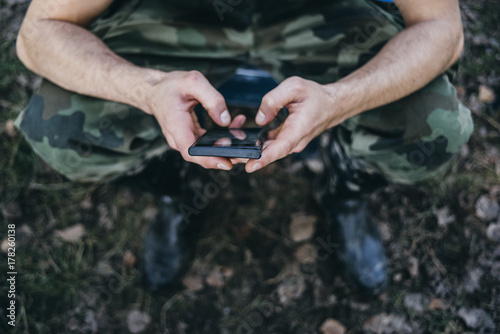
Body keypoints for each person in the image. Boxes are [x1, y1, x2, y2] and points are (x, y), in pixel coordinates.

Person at [15, 0, 473, 295]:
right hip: (172, 19)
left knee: (429, 126)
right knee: (62, 129)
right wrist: (146, 88)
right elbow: (39, 34)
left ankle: (343, 193)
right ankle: (177, 191)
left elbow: (441, 30)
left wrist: (341, 99)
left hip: (330, 17)